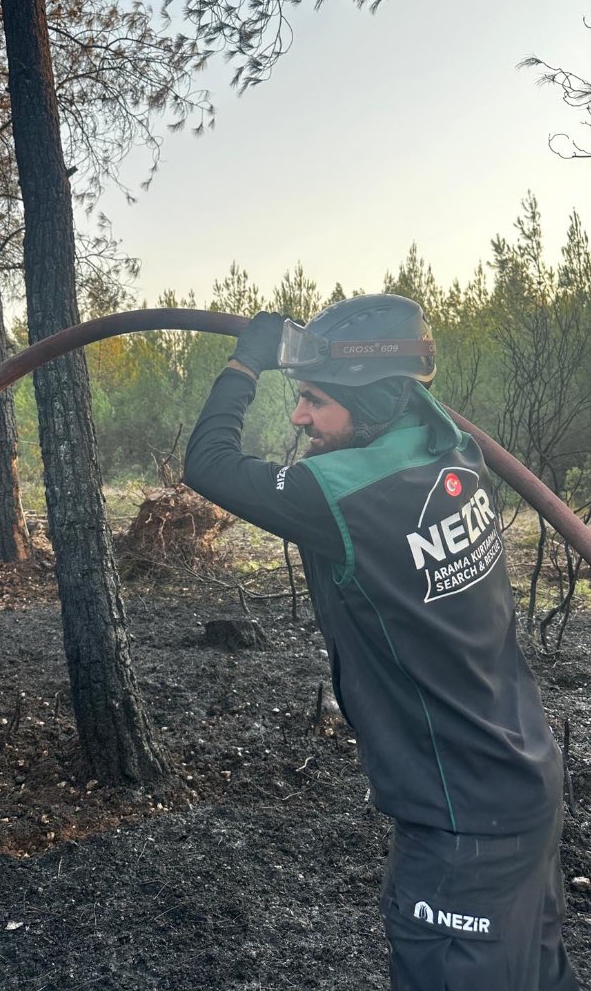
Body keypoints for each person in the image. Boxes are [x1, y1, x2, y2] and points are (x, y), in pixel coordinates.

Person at [183, 295, 583, 990]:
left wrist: (245, 359)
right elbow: (416, 401)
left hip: (461, 826)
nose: (298, 417)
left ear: (370, 406)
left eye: (313, 401)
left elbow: (208, 462)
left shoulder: (339, 494)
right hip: (522, 780)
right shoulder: (450, 454)